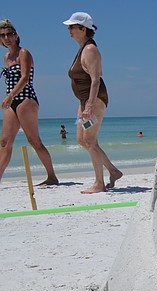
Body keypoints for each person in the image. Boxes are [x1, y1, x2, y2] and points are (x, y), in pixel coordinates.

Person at [64, 12, 121, 194]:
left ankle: (99, 183)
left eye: (72, 27)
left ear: (83, 29)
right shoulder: (82, 49)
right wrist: (83, 104)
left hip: (94, 101)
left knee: (89, 139)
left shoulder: (90, 50)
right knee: (82, 139)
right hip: (85, 101)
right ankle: (113, 171)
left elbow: (96, 79)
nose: (69, 30)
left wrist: (89, 106)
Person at [0, 19, 58, 186]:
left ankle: (52, 176)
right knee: (4, 142)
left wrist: (10, 96)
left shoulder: (23, 53)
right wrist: (10, 97)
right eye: (3, 35)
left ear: (16, 35)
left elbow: (25, 78)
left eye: (9, 34)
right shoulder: (7, 56)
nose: (6, 38)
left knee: (34, 141)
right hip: (12, 101)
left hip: (26, 99)